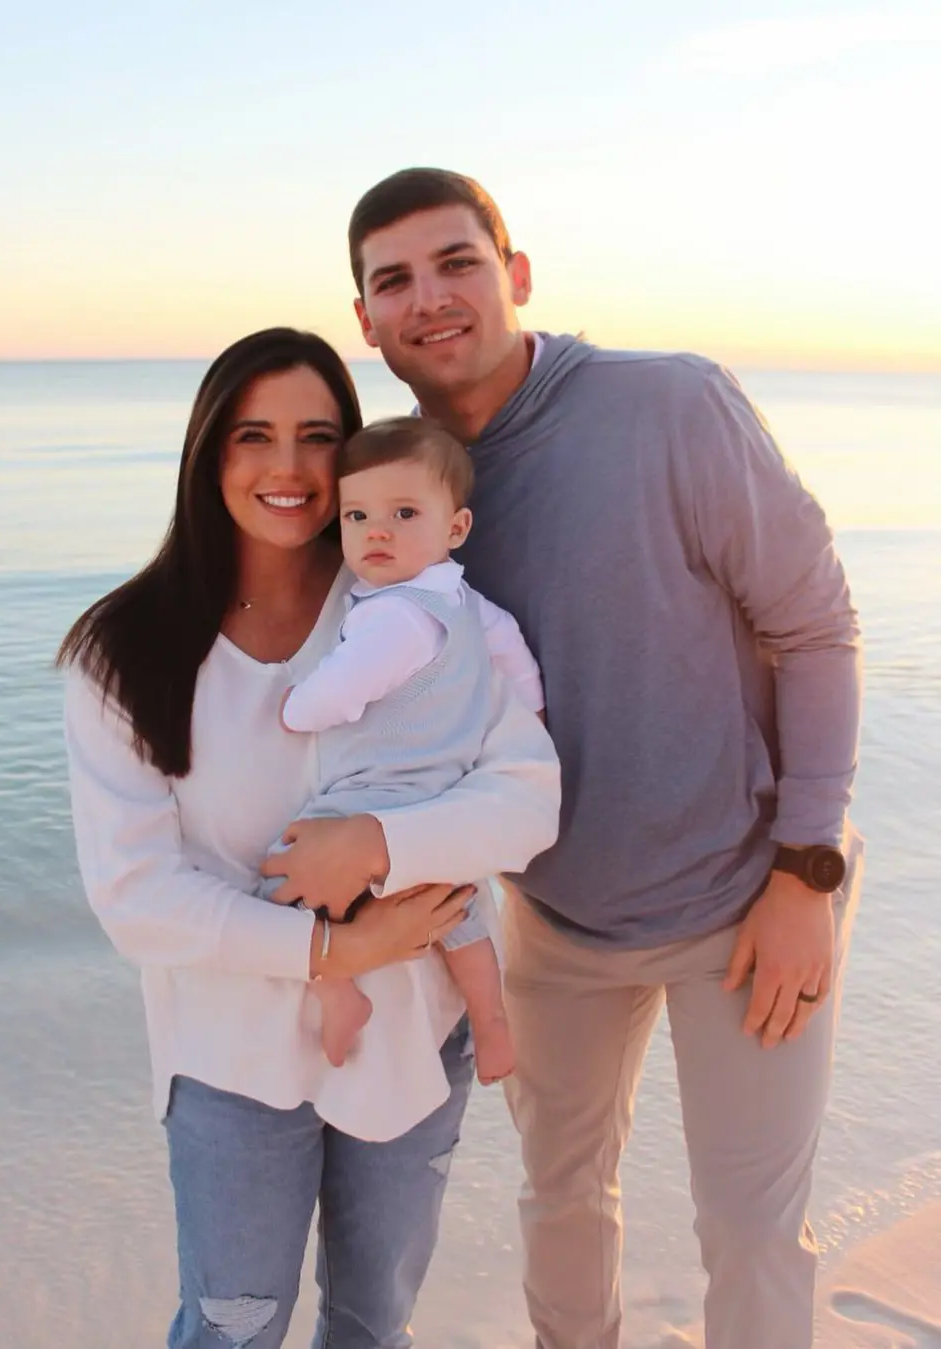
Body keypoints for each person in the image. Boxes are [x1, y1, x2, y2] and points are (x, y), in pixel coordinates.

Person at [346, 169, 864, 1349]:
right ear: (366, 324)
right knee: (561, 1205)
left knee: (746, 1229)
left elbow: (814, 626)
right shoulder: (404, 494)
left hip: (749, 899)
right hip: (555, 922)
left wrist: (806, 869)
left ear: (515, 274)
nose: (429, 298)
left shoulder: (670, 406)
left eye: (455, 262)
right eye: (394, 281)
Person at [58, 326, 560, 1349]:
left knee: (372, 1325)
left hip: (413, 1036)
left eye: (316, 436)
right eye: (252, 435)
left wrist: (373, 842)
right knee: (233, 1327)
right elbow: (136, 896)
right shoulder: (127, 647)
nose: (286, 468)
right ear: (209, 453)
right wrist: (333, 946)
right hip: (229, 1053)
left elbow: (527, 799)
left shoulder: (414, 609)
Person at [262, 414, 546, 1084]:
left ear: (456, 528)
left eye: (403, 512)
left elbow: (339, 693)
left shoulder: (391, 615)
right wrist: (522, 723)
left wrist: (295, 707)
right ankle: (490, 1018)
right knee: (459, 908)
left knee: (285, 878)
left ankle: (339, 993)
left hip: (371, 795)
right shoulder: (473, 607)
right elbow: (521, 674)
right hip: (446, 792)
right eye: (356, 515)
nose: (376, 532)